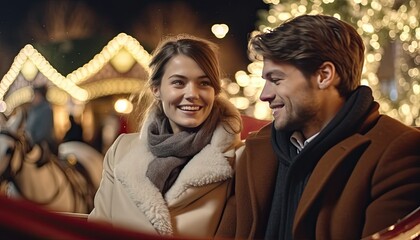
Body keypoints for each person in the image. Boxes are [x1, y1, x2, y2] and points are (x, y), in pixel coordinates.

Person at [229, 14, 420, 239]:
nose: (264, 95)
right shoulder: (256, 150)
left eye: (276, 80)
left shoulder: (398, 150)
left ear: (324, 75)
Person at [88, 34, 244, 238]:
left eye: (204, 83)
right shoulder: (121, 150)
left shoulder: (239, 160)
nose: (192, 94)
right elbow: (96, 230)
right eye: (179, 83)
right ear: (156, 90)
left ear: (215, 91)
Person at [25, 85, 57, 153]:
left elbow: (44, 131)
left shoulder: (46, 109)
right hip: (31, 144)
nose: (33, 98)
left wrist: (32, 141)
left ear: (40, 96)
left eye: (35, 95)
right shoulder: (32, 110)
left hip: (41, 146)